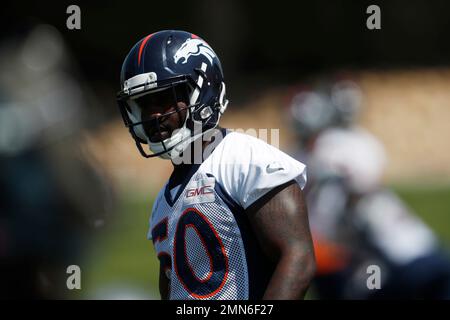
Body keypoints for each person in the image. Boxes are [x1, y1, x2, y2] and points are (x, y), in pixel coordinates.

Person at [116, 30, 316, 300]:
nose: (154, 115)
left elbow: (298, 258)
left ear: (203, 90)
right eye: (143, 104)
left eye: (165, 98)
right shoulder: (162, 202)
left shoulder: (245, 159)